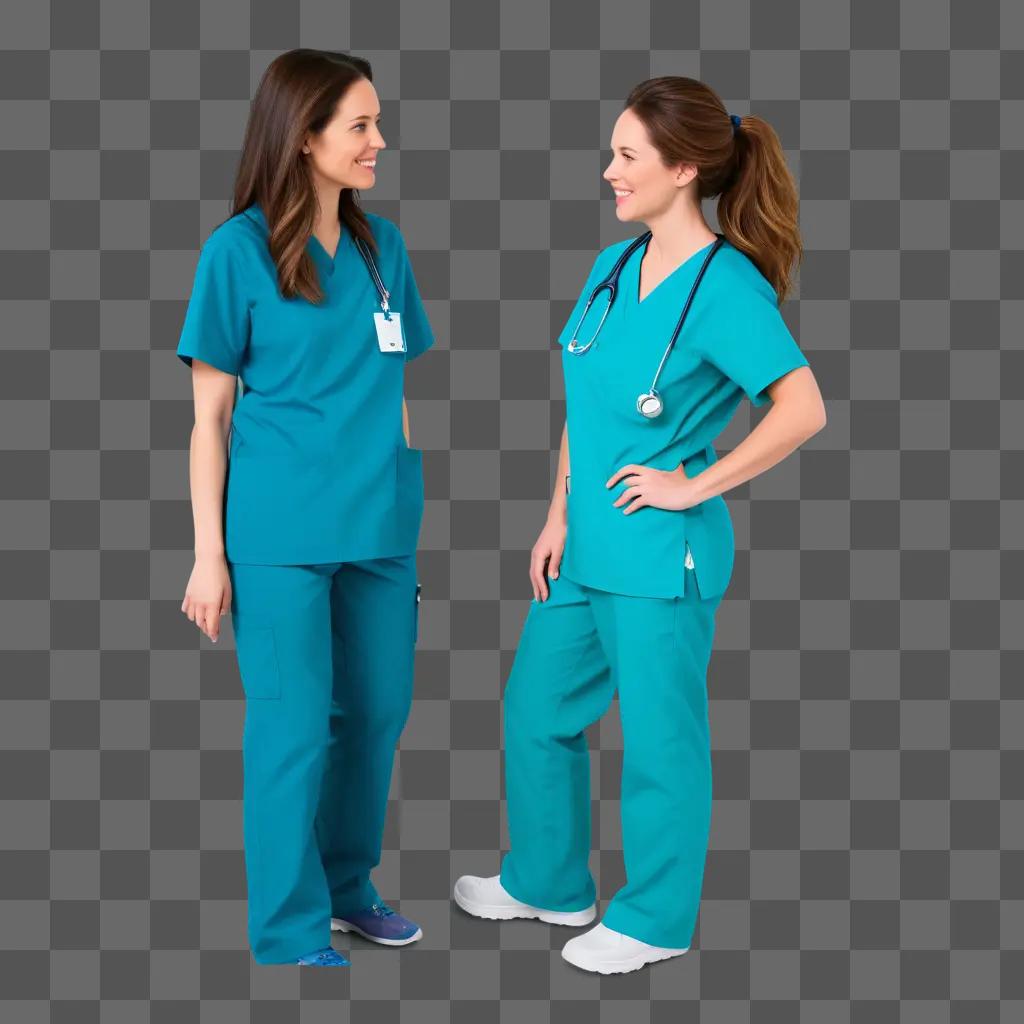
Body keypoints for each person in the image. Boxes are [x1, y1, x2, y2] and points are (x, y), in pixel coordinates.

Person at [453, 77, 828, 975]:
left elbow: (803, 408)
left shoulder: (725, 284)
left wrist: (695, 486)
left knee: (661, 743)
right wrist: (554, 516)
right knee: (537, 711)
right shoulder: (615, 267)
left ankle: (654, 921)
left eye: (627, 155)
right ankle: (548, 882)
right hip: (585, 544)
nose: (608, 171)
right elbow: (584, 404)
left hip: (663, 554)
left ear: (684, 167)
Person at [177, 50, 434, 966]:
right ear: (304, 137)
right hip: (279, 535)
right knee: (292, 729)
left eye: (376, 122)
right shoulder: (235, 253)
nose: (379, 141)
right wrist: (210, 555)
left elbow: (393, 381)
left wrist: (401, 474)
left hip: (379, 527)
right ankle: (288, 930)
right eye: (360, 125)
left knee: (376, 715)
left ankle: (347, 887)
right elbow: (209, 419)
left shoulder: (382, 250)